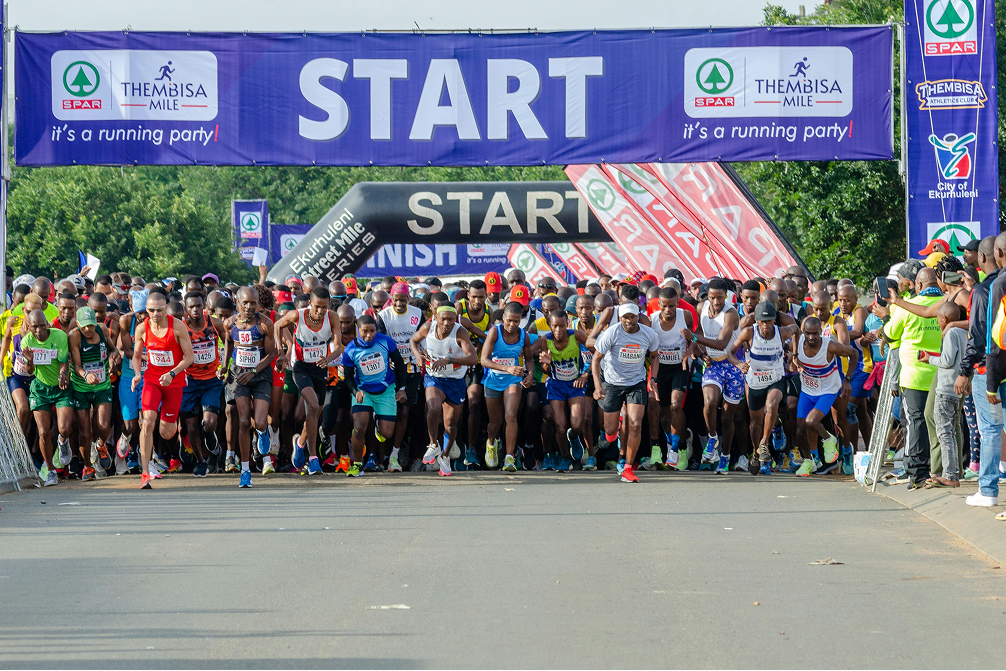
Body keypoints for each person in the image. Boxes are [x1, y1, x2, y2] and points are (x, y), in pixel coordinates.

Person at [884, 267, 943, 491]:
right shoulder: (947, 303)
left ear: (918, 285)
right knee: (942, 423)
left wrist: (887, 314)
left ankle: (918, 475)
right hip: (941, 374)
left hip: (914, 377)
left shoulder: (906, 307)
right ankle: (941, 471)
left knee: (916, 422)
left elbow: (890, 334)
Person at [273, 286, 342, 475]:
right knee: (311, 406)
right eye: (317, 307)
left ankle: (300, 442)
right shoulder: (298, 316)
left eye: (325, 307)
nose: (320, 312)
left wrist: (328, 359)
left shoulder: (332, 317)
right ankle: (313, 459)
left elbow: (338, 347)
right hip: (300, 367)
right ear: (310, 303)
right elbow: (278, 325)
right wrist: (281, 352)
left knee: (315, 415)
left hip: (320, 368)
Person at [591, 302, 660, 483]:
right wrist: (598, 386)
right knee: (610, 430)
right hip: (613, 383)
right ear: (620, 318)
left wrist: (653, 378)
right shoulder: (611, 333)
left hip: (636, 382)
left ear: (638, 317)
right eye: (625, 317)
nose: (629, 321)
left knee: (636, 424)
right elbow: (596, 359)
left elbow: (654, 356)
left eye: (632, 317)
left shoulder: (648, 334)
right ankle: (614, 429)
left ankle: (628, 467)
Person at [132, 292, 194, 489]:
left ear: (166, 308)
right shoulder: (142, 328)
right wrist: (137, 374)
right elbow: (135, 356)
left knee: (166, 433)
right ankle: (145, 474)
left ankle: (179, 433)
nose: (156, 314)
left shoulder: (177, 326)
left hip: (173, 382)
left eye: (160, 310)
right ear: (146, 311)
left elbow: (189, 357)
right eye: (151, 310)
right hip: (152, 380)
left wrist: (173, 373)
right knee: (147, 422)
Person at [729, 301, 799, 475]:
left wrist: (795, 356)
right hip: (755, 380)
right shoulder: (748, 332)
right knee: (755, 423)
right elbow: (729, 352)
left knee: (772, 404)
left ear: (774, 320)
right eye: (763, 322)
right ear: (757, 321)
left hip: (775, 377)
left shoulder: (781, 333)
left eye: (770, 321)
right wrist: (739, 365)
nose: (767, 325)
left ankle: (764, 443)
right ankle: (756, 452)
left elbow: (796, 329)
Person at [410, 305, 479, 477]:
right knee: (432, 408)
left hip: (455, 381)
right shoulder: (428, 327)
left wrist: (449, 359)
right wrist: (418, 355)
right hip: (434, 377)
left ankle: (445, 456)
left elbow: (473, 358)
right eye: (443, 319)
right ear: (435, 316)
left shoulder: (460, 331)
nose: (447, 323)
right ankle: (433, 444)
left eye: (451, 319)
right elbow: (413, 340)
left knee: (450, 425)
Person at [682, 278, 741, 473]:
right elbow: (700, 331)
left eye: (720, 298)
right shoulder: (702, 307)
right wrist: (696, 350)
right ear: (707, 296)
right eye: (713, 297)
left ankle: (725, 457)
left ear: (726, 296)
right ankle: (712, 438)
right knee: (708, 403)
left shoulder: (730, 314)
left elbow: (722, 343)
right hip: (714, 365)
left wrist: (694, 338)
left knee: (727, 417)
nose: (716, 302)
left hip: (732, 364)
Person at [220, 287, 275, 488]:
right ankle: (245, 470)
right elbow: (229, 342)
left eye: (253, 303)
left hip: (259, 376)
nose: (250, 307)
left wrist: (253, 371)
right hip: (238, 375)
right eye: (246, 303)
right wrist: (225, 366)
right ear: (237, 302)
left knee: (259, 422)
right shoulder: (229, 323)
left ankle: (262, 432)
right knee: (243, 421)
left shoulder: (265, 324)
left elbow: (272, 354)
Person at [341, 314, 407, 477]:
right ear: (358, 330)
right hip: (364, 392)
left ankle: (378, 423)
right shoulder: (350, 349)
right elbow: (348, 378)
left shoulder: (385, 342)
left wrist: (402, 388)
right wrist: (356, 392)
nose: (369, 335)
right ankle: (356, 464)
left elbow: (399, 364)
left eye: (372, 331)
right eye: (365, 331)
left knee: (387, 434)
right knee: (359, 428)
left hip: (385, 391)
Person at [794, 317, 858, 477]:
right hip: (808, 390)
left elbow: (854, 354)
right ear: (803, 332)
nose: (811, 337)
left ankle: (842, 448)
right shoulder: (797, 343)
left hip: (828, 389)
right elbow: (791, 352)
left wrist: (847, 380)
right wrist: (792, 360)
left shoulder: (830, 346)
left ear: (821, 333)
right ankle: (811, 460)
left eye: (815, 334)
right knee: (801, 429)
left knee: (832, 420)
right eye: (808, 333)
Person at [918, 301, 968, 488]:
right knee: (952, 433)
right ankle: (953, 472)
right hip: (956, 392)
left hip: (945, 390)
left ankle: (949, 475)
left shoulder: (951, 333)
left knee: (944, 434)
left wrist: (928, 358)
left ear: (943, 319)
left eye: (938, 319)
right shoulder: (964, 333)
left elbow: (947, 360)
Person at [536, 309, 593, 473]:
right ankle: (564, 458)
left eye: (562, 326)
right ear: (550, 326)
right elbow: (546, 371)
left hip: (575, 384)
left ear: (567, 323)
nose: (559, 330)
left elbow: (597, 354)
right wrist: (546, 364)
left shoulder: (577, 336)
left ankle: (574, 437)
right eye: (555, 326)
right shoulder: (545, 340)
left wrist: (585, 375)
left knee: (577, 425)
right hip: (556, 385)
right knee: (560, 426)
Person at [21, 309, 72, 486]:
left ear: (47, 324)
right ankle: (50, 470)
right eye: (34, 327)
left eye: (42, 326)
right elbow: (29, 372)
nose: (38, 331)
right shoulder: (27, 341)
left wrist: (63, 373)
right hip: (40, 389)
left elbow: (64, 361)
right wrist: (29, 361)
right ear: (29, 327)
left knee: (64, 428)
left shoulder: (59, 336)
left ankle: (63, 442)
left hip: (60, 387)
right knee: (43, 432)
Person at [481, 302, 534, 472]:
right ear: (503, 317)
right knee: (495, 422)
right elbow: (484, 360)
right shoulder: (494, 332)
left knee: (511, 416)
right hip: (493, 379)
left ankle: (509, 457)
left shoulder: (523, 335)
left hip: (513, 379)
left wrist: (530, 374)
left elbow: (529, 359)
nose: (512, 325)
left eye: (516, 322)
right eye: (509, 320)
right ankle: (491, 442)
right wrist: (506, 368)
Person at [179, 292, 228, 477]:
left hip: (211, 380)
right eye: (191, 307)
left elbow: (229, 341)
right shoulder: (181, 328)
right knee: (191, 426)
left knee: (209, 422)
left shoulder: (214, 324)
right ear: (186, 309)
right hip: (189, 382)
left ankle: (208, 433)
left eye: (198, 306)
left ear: (204, 307)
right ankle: (200, 461)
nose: (195, 310)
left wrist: (225, 365)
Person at [378, 282, 425, 472]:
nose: (399, 304)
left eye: (403, 300)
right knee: (388, 414)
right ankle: (382, 456)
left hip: (412, 369)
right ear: (391, 298)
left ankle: (395, 455)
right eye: (396, 300)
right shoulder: (383, 316)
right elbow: (380, 343)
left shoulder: (417, 314)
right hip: (391, 370)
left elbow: (424, 337)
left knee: (405, 412)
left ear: (408, 298)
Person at [68, 306, 119, 481]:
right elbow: (76, 365)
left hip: (103, 385)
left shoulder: (103, 329)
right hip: (81, 387)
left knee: (104, 426)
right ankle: (88, 467)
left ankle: (101, 446)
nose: (88, 329)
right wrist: (86, 375)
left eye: (91, 325)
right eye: (84, 326)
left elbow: (114, 350)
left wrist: (113, 358)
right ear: (78, 324)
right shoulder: (74, 336)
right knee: (84, 432)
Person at [649, 286, 693, 469]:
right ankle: (665, 445)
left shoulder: (686, 316)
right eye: (665, 306)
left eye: (672, 306)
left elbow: (695, 342)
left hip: (679, 368)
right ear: (658, 304)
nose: (668, 310)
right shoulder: (651, 321)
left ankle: (677, 450)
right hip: (660, 369)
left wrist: (687, 353)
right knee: (663, 413)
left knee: (676, 406)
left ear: (678, 304)